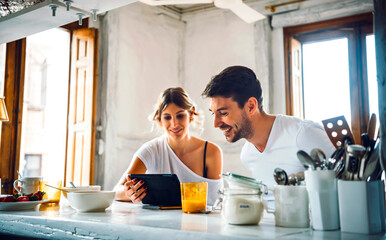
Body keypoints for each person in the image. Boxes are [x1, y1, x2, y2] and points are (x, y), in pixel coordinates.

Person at [201, 65, 335, 189]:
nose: (216, 123)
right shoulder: (248, 155)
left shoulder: (305, 134)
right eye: (213, 114)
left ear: (251, 106)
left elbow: (345, 182)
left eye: (223, 113)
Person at [114, 87, 223, 205]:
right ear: (160, 119)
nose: (174, 124)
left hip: (199, 222)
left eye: (180, 116)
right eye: (167, 117)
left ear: (191, 113)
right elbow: (116, 191)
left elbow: (215, 202)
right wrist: (129, 193)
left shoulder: (211, 152)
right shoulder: (150, 150)